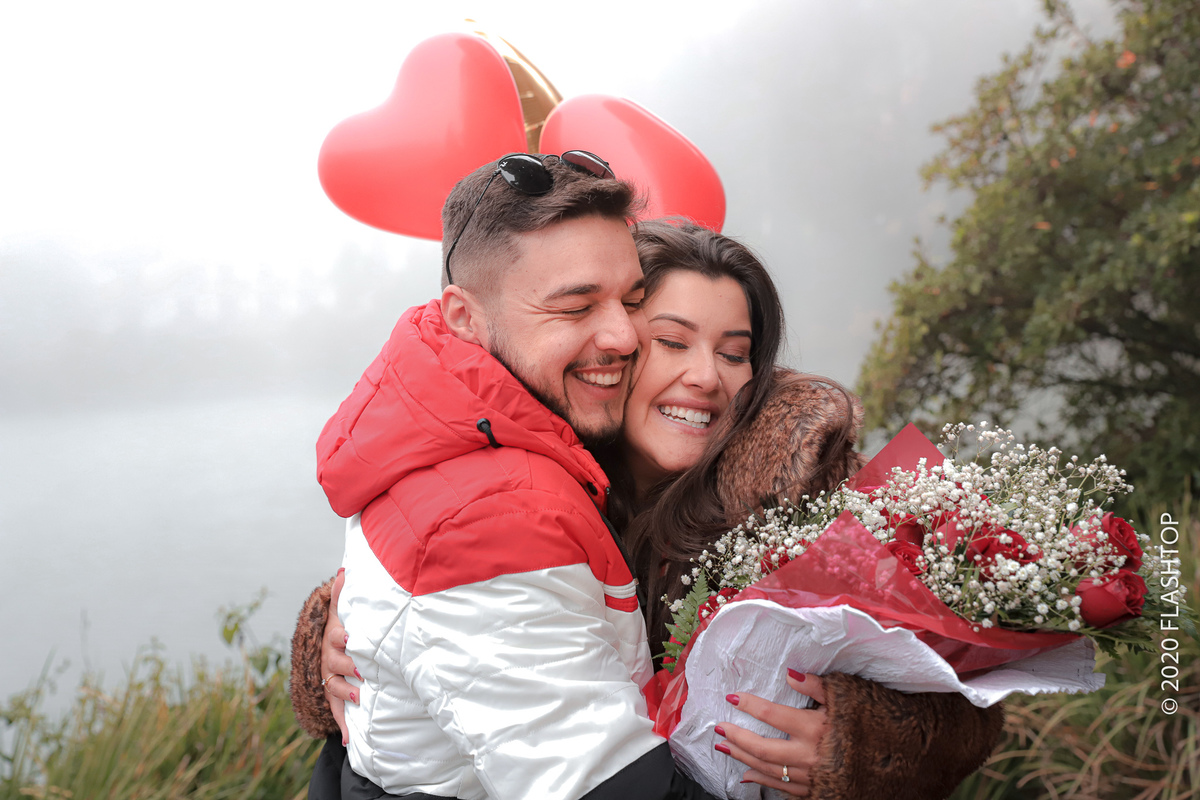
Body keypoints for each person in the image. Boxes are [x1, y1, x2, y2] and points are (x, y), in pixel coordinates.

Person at [293, 216, 1006, 799]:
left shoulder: (806, 496)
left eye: (735, 353)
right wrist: (339, 641)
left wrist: (857, 747)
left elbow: (967, 706)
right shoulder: (518, 480)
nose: (705, 378)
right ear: (617, 343)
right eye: (672, 342)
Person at [302, 151, 728, 800]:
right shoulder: (488, 521)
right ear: (464, 319)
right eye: (575, 307)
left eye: (633, 300)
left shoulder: (466, 426)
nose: (622, 335)